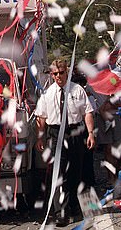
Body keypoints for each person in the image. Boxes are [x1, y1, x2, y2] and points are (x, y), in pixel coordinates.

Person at [35, 58, 96, 226]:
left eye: (61, 73)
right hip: (56, 135)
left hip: (75, 132)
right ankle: (60, 212)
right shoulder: (47, 93)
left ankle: (76, 206)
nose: (58, 76)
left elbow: (87, 112)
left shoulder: (77, 90)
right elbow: (41, 117)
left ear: (66, 73)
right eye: (55, 73)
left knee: (76, 171)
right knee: (59, 174)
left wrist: (90, 133)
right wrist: (40, 136)